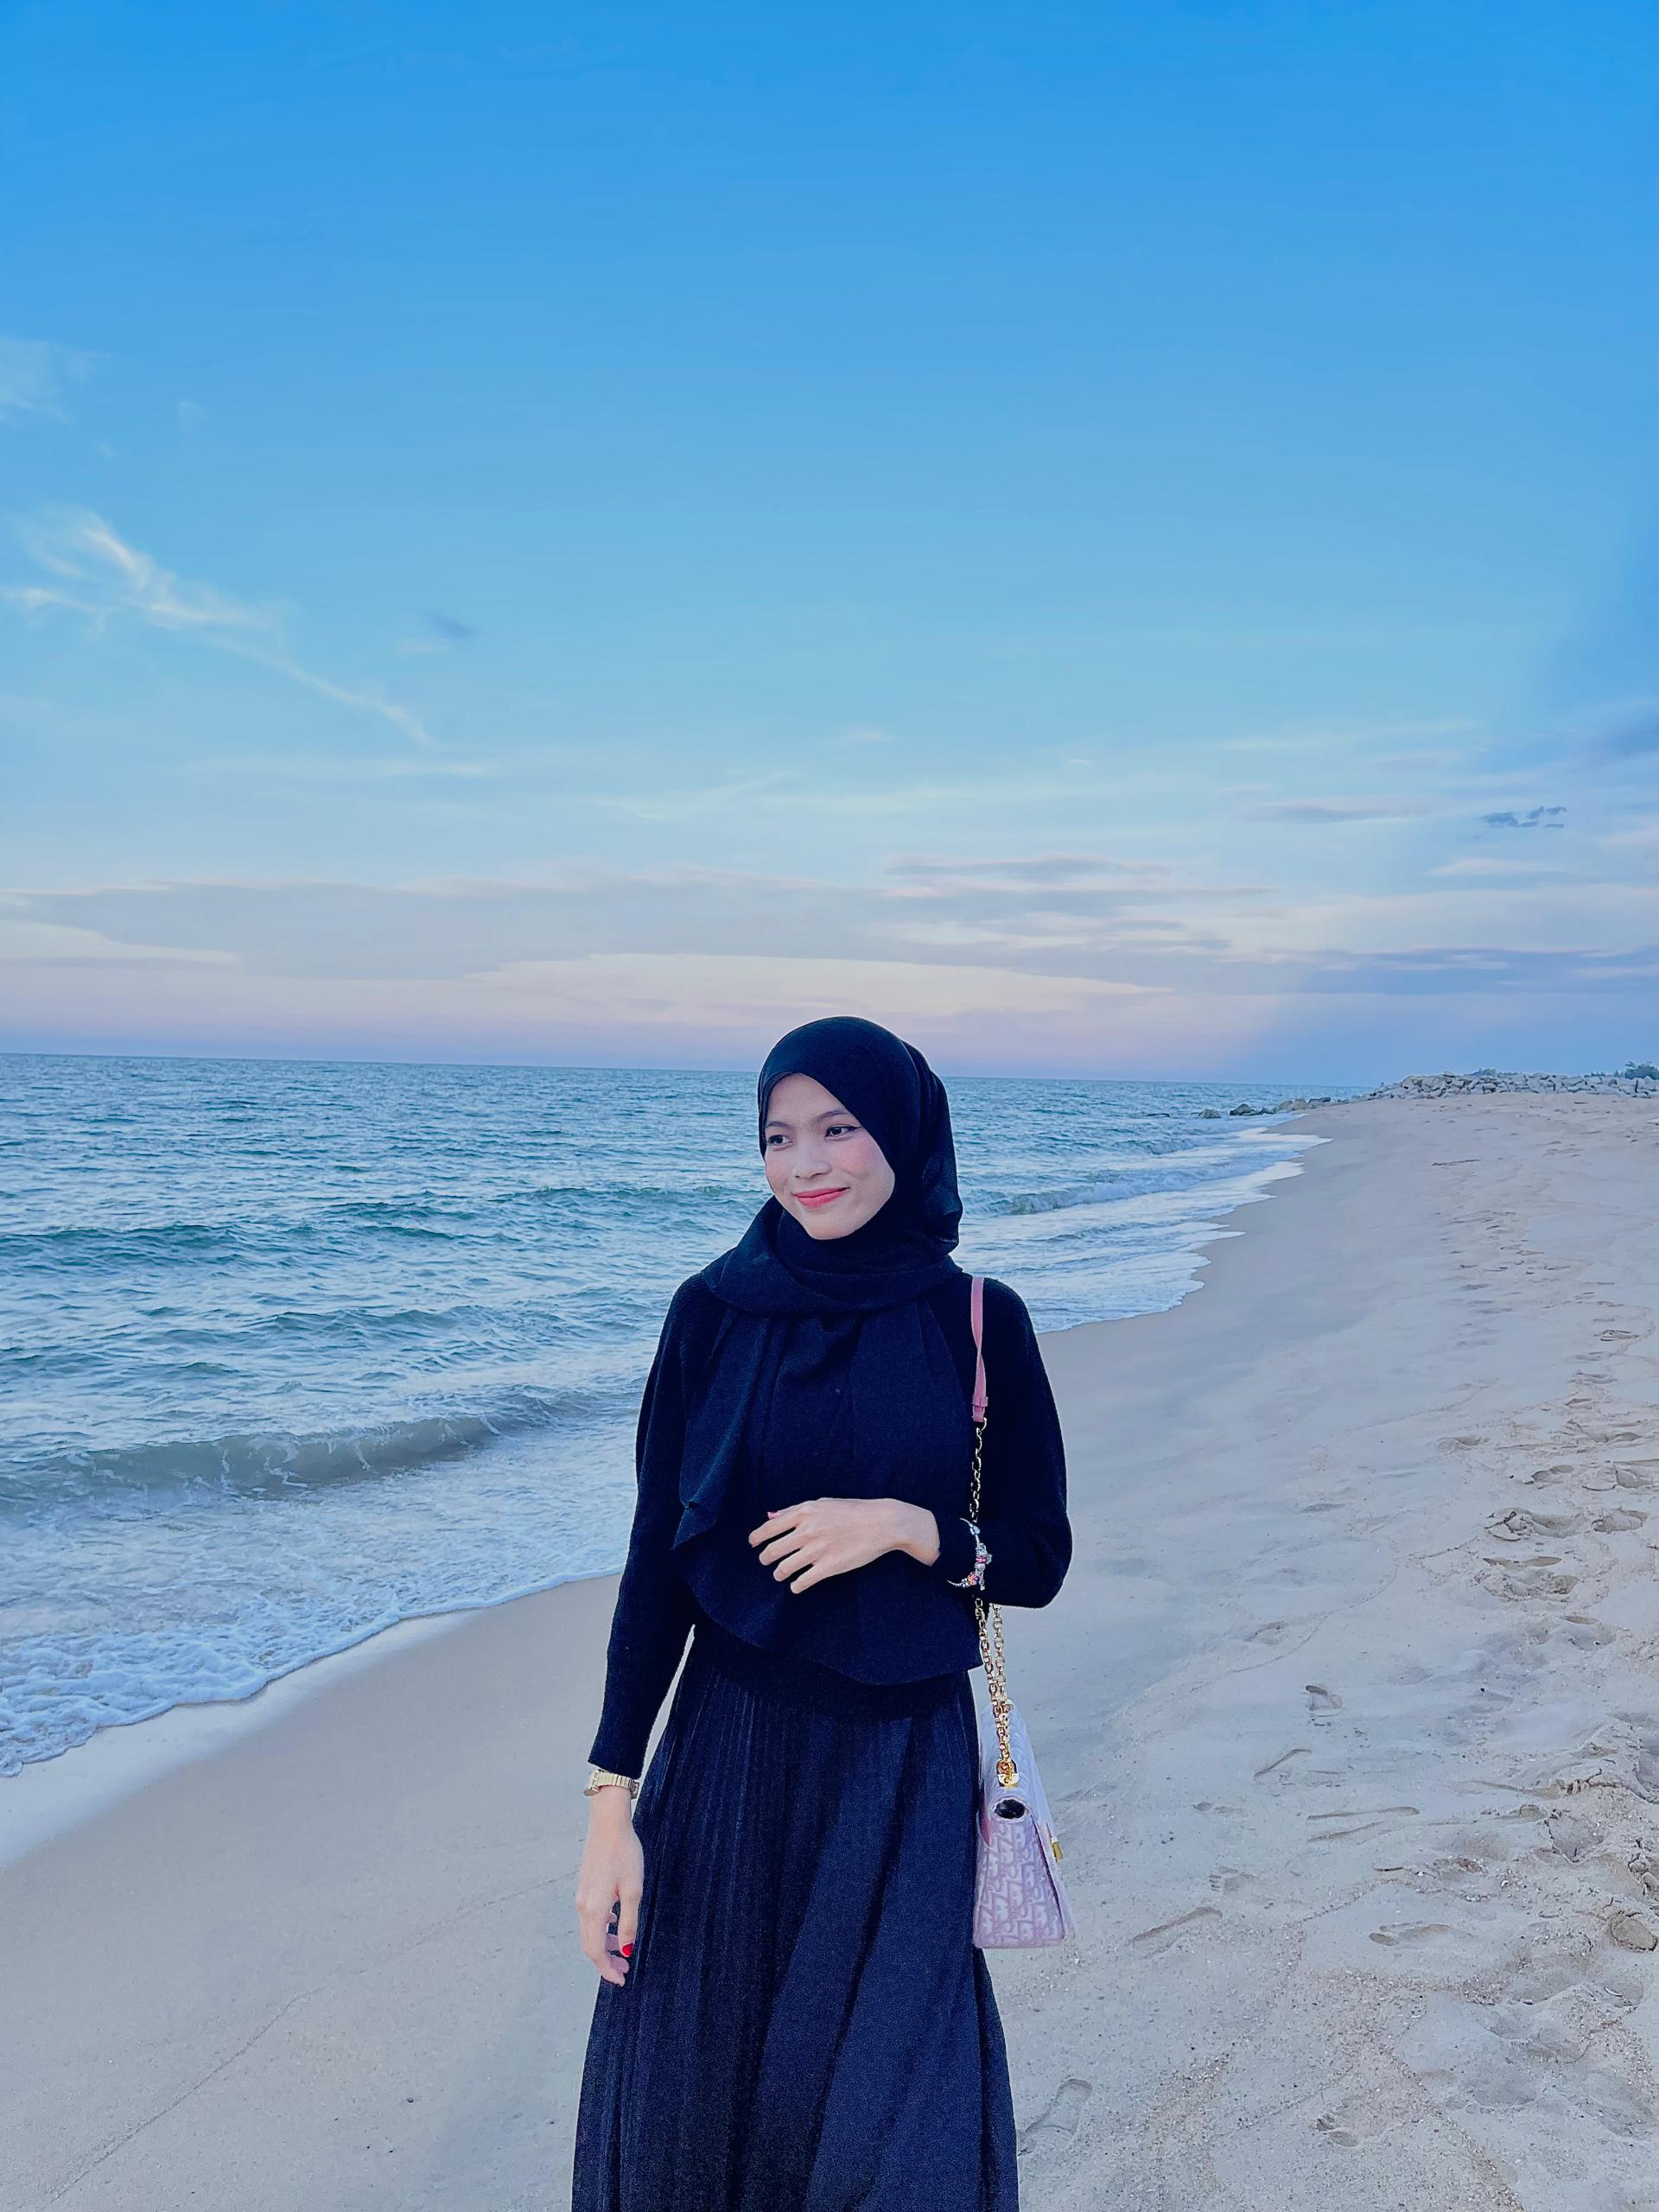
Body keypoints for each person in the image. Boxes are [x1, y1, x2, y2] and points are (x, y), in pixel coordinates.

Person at [570, 1015, 1071, 2212]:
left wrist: (909, 1527)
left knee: (896, 2118)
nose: (807, 1165)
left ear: (901, 1133)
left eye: (838, 1129)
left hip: (903, 1773)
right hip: (729, 1758)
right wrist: (609, 1808)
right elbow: (656, 1566)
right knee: (694, 2106)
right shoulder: (710, 1314)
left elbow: (1039, 1557)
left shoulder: (976, 1320)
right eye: (778, 1137)